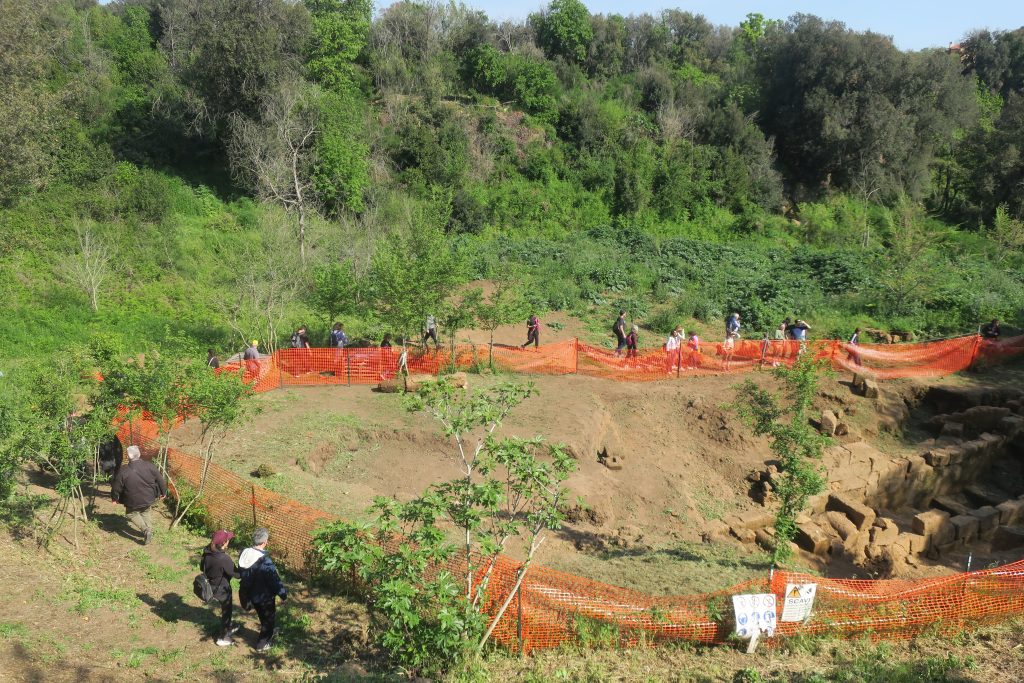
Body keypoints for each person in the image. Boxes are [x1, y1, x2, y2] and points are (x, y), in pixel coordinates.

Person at [238, 528, 288, 653]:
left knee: (262, 616)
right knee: (269, 618)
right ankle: (262, 643)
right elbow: (274, 581)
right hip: (264, 597)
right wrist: (283, 595)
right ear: (265, 542)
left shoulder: (244, 553)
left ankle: (268, 630)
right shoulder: (265, 561)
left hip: (250, 594)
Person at [110, 445, 166, 545]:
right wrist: (163, 492)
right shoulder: (150, 466)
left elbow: (116, 486)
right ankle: (149, 530)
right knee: (145, 511)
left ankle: (146, 530)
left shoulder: (123, 470)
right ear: (139, 454)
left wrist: (114, 498)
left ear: (127, 457)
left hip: (132, 501)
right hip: (149, 497)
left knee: (131, 514)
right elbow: (160, 480)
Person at [202, 530, 239, 646]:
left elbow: (201, 567)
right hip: (222, 588)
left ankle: (228, 626)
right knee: (227, 611)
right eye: (228, 540)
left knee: (226, 609)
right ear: (223, 543)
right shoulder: (224, 559)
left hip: (211, 585)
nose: (229, 542)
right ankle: (223, 637)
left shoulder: (207, 551)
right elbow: (237, 575)